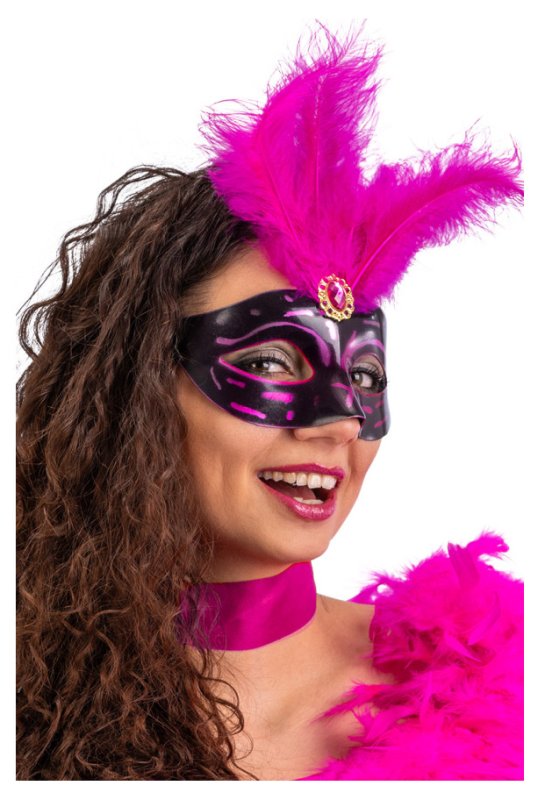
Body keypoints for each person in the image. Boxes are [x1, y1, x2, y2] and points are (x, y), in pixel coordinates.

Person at [16, 24, 523, 781]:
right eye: (268, 363)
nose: (342, 418)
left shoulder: (502, 686)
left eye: (365, 375)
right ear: (133, 390)